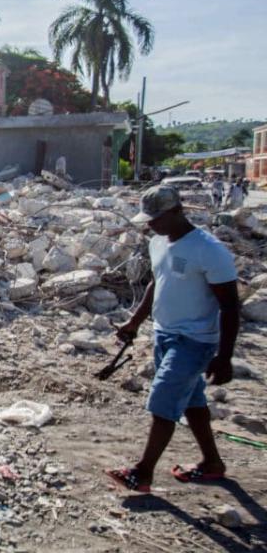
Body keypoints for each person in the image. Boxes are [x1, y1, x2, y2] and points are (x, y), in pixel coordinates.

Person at [106, 186, 239, 493]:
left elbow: (230, 306)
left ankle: (142, 472)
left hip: (195, 340)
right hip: (164, 334)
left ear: (178, 211)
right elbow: (157, 281)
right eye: (148, 220)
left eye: (157, 218)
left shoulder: (209, 250)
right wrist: (135, 322)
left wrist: (225, 356)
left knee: (164, 400)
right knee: (192, 402)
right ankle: (212, 463)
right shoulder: (157, 243)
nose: (151, 225)